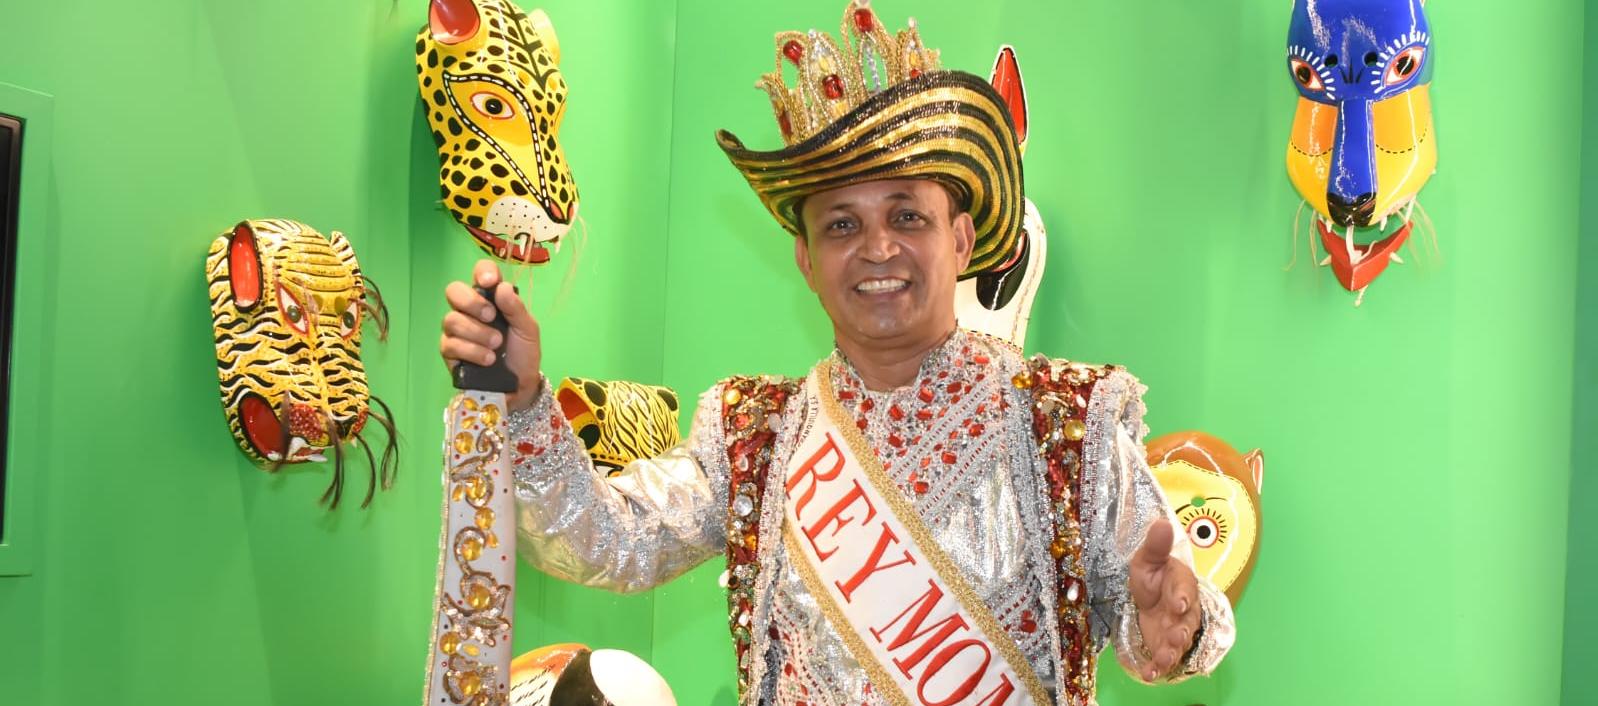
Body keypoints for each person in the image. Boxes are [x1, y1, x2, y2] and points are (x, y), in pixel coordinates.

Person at [438, 2, 1233, 703]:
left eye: (907, 216)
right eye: (842, 225)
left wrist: (1172, 620)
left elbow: (1171, 625)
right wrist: (524, 402)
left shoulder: (1067, 423)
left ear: (961, 239)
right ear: (807, 259)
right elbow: (606, 542)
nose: (878, 248)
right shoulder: (751, 433)